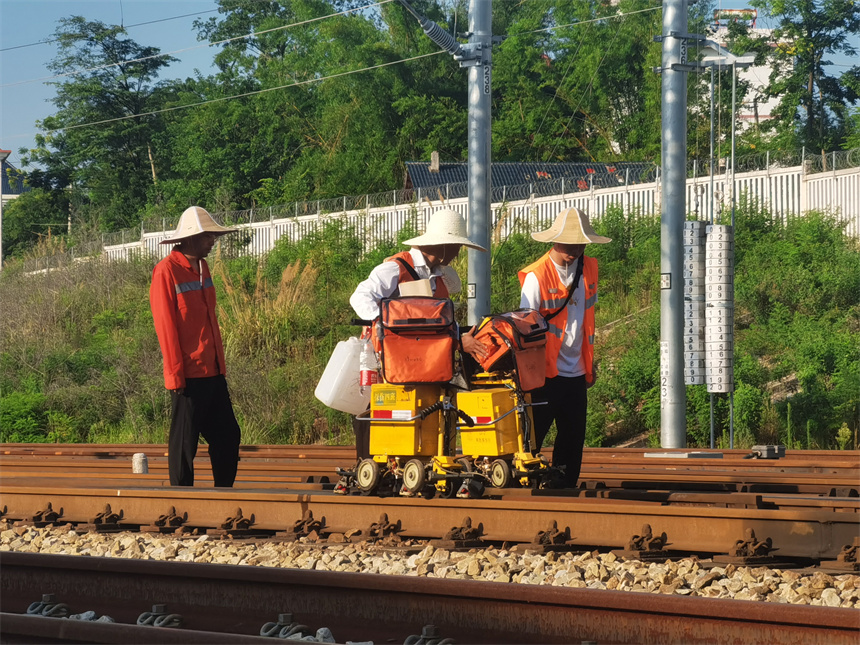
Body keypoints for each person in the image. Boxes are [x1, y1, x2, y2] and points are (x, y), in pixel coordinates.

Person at [349, 207, 488, 458]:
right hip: (386, 361)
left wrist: (459, 338)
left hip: (421, 363)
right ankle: (368, 465)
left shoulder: (439, 279)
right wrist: (384, 323)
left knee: (416, 412)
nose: (458, 253)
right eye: (456, 246)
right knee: (378, 410)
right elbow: (360, 297)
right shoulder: (396, 268)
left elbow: (441, 322)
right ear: (442, 245)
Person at [518, 207, 611, 488]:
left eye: (581, 242)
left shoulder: (588, 269)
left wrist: (588, 362)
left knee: (572, 438)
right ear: (556, 241)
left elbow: (585, 320)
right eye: (571, 242)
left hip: (576, 371)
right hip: (545, 372)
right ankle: (524, 484)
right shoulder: (538, 276)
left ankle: (564, 487)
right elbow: (525, 328)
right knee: (533, 436)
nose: (577, 248)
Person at [149, 206, 242, 487]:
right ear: (190, 239)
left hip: (212, 370)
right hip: (188, 375)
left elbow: (208, 319)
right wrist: (175, 374)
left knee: (228, 435)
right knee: (184, 444)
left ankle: (223, 494)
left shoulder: (202, 267)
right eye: (208, 236)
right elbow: (166, 326)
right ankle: (181, 502)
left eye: (213, 235)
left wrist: (220, 366)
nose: (213, 240)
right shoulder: (166, 271)